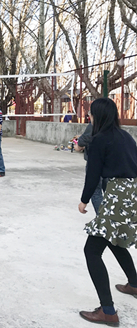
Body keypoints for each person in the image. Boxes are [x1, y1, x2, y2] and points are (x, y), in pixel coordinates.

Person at [78, 98, 137, 326]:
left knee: (91, 251)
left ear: (98, 116)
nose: (89, 118)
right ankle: (134, 283)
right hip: (131, 197)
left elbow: (92, 175)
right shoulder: (126, 137)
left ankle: (108, 311)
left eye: (90, 114)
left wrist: (83, 201)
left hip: (115, 197)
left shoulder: (99, 140)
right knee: (114, 240)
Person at [74, 122, 104, 214]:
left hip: (96, 162)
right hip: (111, 164)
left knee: (95, 189)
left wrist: (84, 201)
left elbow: (82, 141)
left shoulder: (94, 125)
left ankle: (102, 217)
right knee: (110, 191)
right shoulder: (115, 128)